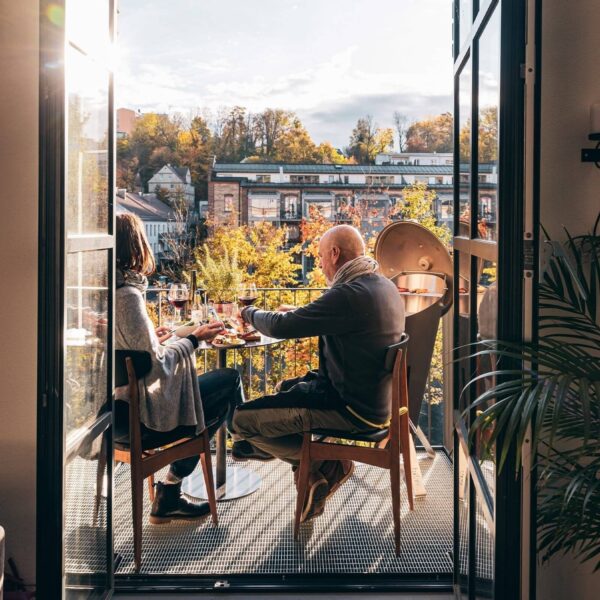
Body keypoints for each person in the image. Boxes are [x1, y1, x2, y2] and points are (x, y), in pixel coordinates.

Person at [232, 224, 405, 521]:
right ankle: (304, 468)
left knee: (240, 421)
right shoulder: (381, 285)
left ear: (335, 253)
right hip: (377, 403)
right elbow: (333, 317)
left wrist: (246, 313)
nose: (321, 263)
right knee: (287, 387)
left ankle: (324, 465)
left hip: (349, 409)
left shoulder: (349, 295)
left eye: (322, 256)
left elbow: (280, 328)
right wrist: (299, 312)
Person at [115, 213, 245, 524]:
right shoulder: (128, 297)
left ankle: (171, 491)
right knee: (229, 382)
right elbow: (157, 366)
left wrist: (158, 338)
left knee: (214, 401)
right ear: (136, 246)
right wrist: (196, 340)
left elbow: (138, 353)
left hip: (118, 411)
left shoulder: (110, 290)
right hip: (143, 413)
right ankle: (242, 442)